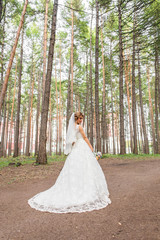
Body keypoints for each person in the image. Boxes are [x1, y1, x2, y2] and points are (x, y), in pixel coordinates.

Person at [28, 112, 111, 213]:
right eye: (80, 118)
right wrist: (91, 147)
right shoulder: (79, 127)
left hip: (76, 148)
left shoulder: (72, 128)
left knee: (79, 167)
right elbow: (85, 138)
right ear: (77, 118)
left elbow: (71, 141)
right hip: (82, 147)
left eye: (82, 118)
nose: (81, 120)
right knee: (86, 166)